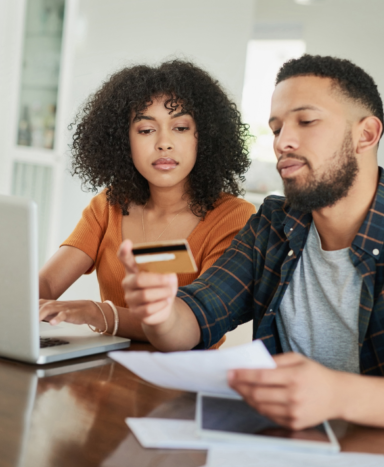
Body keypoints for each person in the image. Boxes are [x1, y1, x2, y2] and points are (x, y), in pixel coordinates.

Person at [118, 54, 384, 442]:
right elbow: (194, 320)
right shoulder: (273, 225)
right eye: (277, 127)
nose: (283, 142)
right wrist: (161, 313)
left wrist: (334, 394)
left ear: (365, 135)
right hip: (294, 454)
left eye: (306, 121)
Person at [38, 60, 255, 345]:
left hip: (183, 379)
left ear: (205, 137)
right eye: (146, 130)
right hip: (103, 372)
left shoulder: (233, 216)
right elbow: (49, 284)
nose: (164, 143)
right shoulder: (109, 205)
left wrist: (97, 313)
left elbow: (194, 322)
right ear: (121, 140)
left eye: (180, 127)